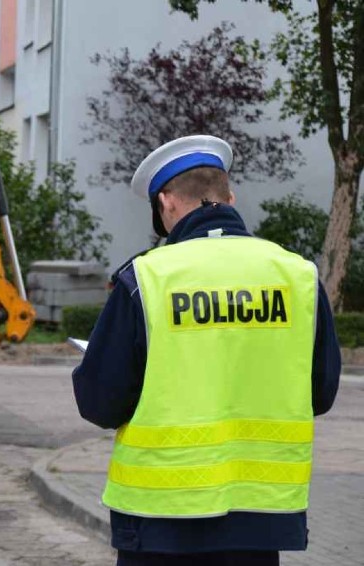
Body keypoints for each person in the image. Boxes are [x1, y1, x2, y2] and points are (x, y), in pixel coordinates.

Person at [73, 135, 341, 566]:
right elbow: (321, 393)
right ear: (229, 197)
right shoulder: (299, 277)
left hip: (159, 520)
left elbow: (100, 403)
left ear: (167, 203)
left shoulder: (144, 279)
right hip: (259, 518)